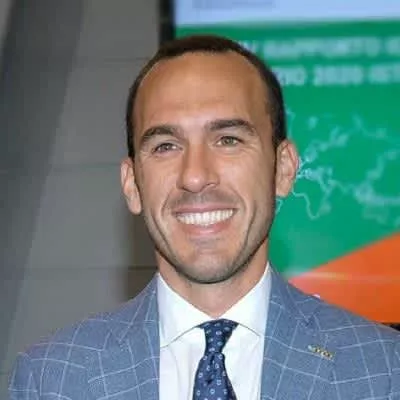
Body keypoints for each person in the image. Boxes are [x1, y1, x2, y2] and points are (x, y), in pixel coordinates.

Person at [9, 35, 400, 400]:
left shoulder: (384, 371)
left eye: (228, 140)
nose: (195, 176)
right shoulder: (50, 381)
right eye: (166, 146)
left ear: (283, 169)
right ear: (132, 184)